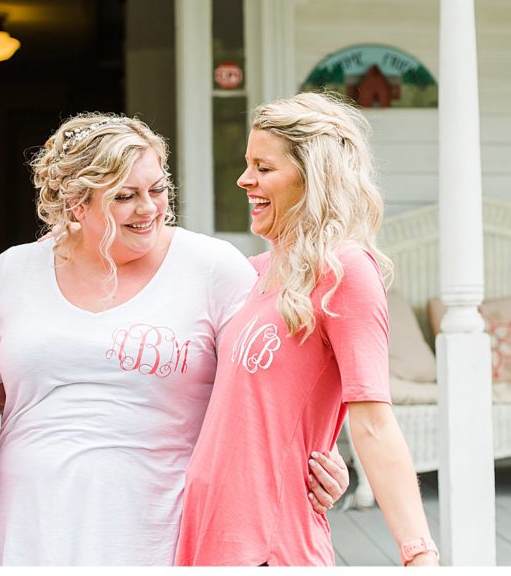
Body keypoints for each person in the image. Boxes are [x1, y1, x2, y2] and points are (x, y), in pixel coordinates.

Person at [0, 113, 348, 566]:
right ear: (76, 202)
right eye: (125, 196)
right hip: (33, 522)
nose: (148, 208)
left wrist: (316, 455)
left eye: (157, 189)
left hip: (161, 525)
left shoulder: (211, 268)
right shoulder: (11, 273)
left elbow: (267, 386)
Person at [175, 92, 439, 567]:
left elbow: (374, 422)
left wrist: (418, 553)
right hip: (207, 533)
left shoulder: (345, 271)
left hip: (271, 544)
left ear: (312, 177)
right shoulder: (249, 274)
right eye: (246, 163)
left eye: (264, 167)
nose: (245, 179)